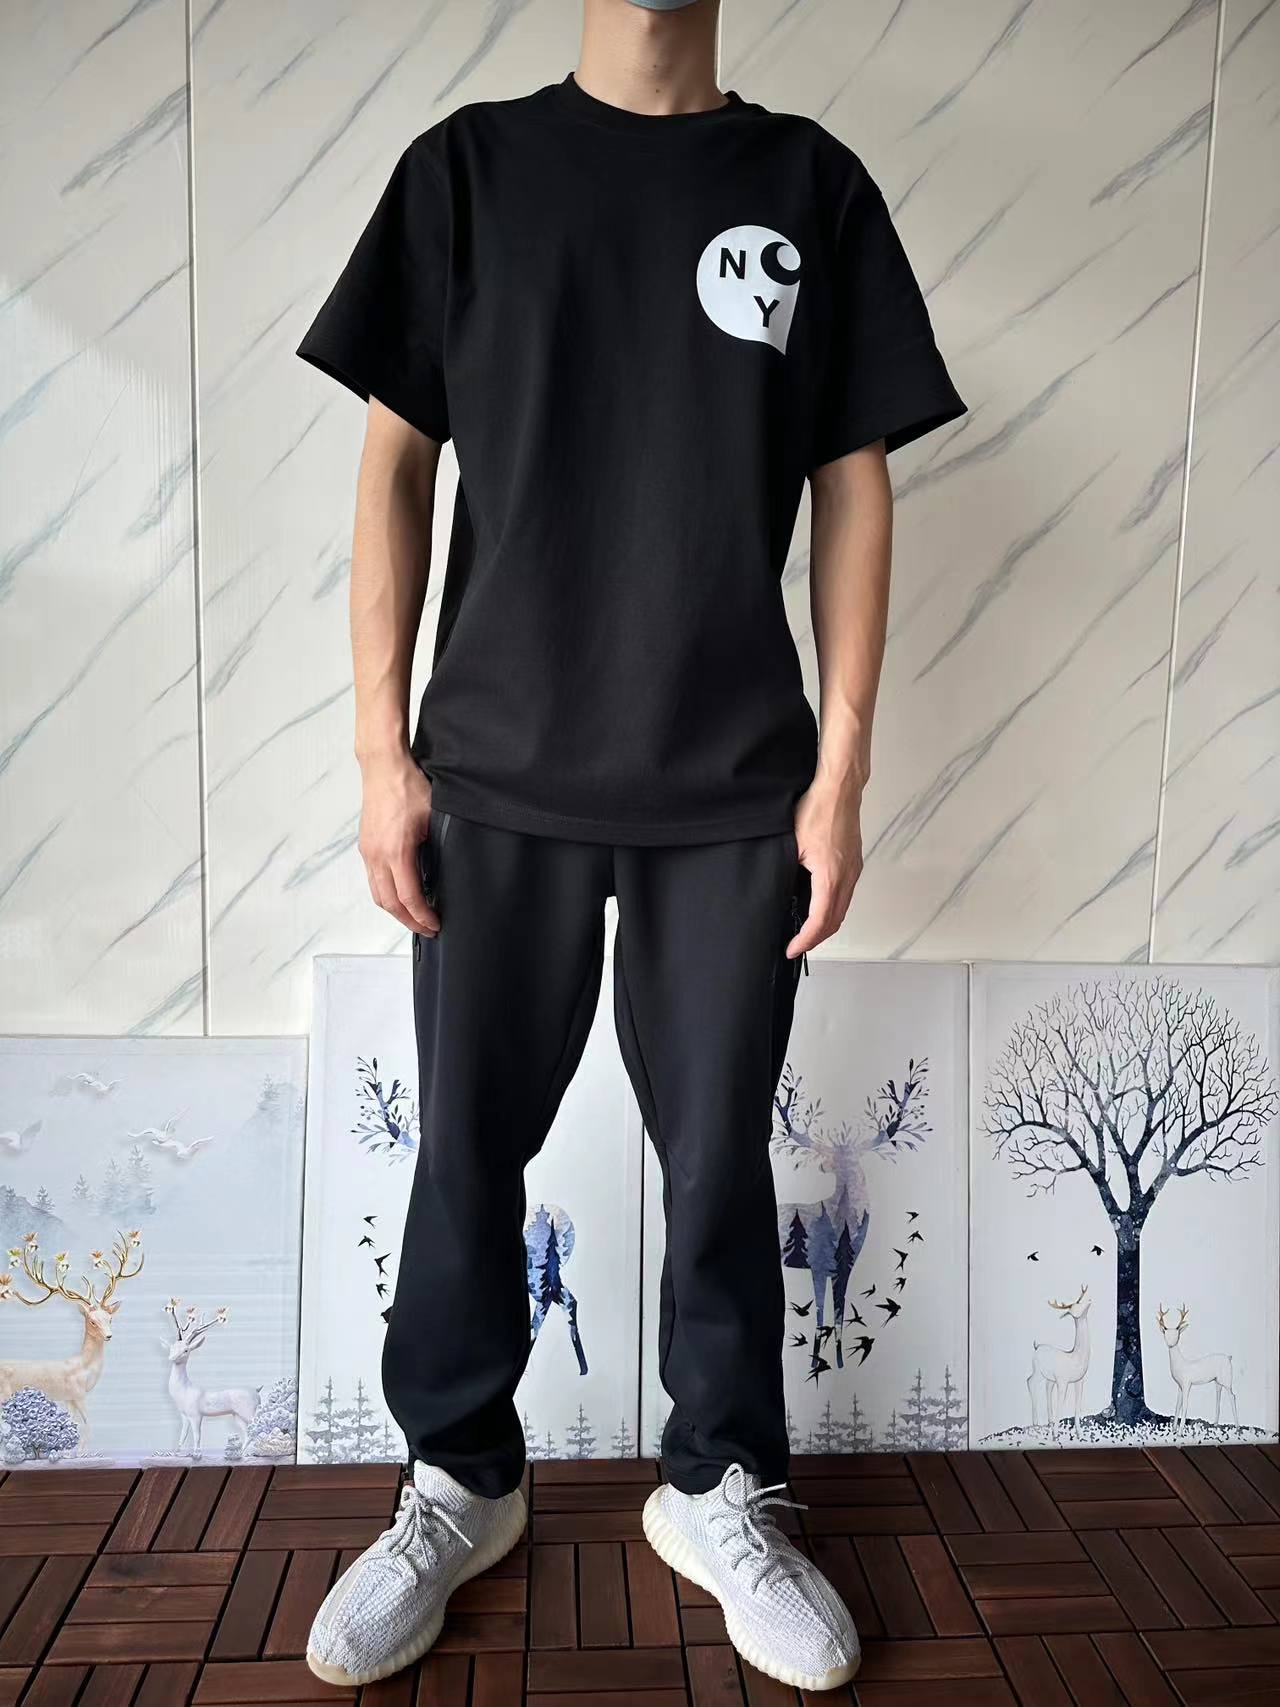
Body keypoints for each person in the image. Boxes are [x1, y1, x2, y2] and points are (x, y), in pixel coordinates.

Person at [297, 0, 966, 1692]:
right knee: (468, 1146)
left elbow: (856, 480)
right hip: (496, 767)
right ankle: (460, 1478)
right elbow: (394, 469)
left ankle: (721, 1485)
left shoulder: (811, 189)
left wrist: (844, 768)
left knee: (721, 1153)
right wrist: (380, 752)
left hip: (733, 777)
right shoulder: (467, 176)